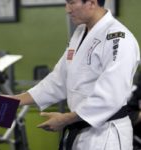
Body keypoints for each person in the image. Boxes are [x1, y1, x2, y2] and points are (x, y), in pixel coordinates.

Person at [12, 0, 140, 149]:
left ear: (91, 3)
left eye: (72, 3)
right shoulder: (79, 33)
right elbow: (58, 80)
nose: (67, 9)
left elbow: (110, 96)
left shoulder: (119, 38)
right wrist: (15, 101)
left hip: (106, 134)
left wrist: (66, 119)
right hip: (80, 128)